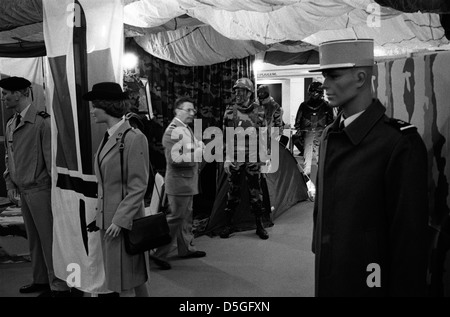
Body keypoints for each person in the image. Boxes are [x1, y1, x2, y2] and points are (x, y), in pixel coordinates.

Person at [309, 39, 429, 297]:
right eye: (324, 76)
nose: (325, 85)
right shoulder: (332, 133)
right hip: (331, 267)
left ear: (361, 77)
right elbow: (324, 205)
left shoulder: (398, 143)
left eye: (334, 76)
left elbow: (409, 242)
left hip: (369, 278)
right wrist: (319, 247)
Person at [0, 76, 72, 297]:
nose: (3, 98)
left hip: (41, 190)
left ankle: (59, 285)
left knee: (50, 239)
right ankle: (41, 280)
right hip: (24, 191)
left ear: (19, 93)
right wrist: (10, 184)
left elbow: (52, 164)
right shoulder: (12, 123)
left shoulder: (42, 122)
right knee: (34, 239)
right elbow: (8, 157)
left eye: (5, 94)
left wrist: (56, 195)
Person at [83, 82, 150, 297]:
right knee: (130, 276)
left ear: (106, 106)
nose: (92, 111)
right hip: (109, 221)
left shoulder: (134, 138)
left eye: (95, 106)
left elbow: (138, 186)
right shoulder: (109, 137)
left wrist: (119, 220)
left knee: (125, 280)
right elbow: (107, 184)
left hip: (122, 223)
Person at [151, 96, 206, 269]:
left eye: (193, 110)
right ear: (177, 111)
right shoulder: (172, 131)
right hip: (179, 183)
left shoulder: (185, 129)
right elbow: (176, 159)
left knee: (185, 216)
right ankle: (158, 253)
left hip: (187, 181)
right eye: (188, 110)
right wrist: (198, 152)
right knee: (175, 218)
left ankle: (186, 248)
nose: (192, 113)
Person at [220, 78, 269, 240]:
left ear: (249, 93)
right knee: (233, 192)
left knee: (256, 193)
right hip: (235, 157)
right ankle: (228, 224)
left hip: (254, 158)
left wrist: (264, 159)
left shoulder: (259, 111)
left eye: (241, 91)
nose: (237, 94)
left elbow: (264, 137)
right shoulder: (229, 111)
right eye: (236, 91)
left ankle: (259, 225)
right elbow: (226, 137)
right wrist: (226, 158)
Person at [292, 82, 334, 159]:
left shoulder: (326, 105)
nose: (315, 93)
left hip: (319, 134)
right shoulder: (304, 105)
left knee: (318, 158)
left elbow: (330, 123)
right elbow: (298, 121)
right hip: (309, 134)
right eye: (313, 91)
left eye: (316, 91)